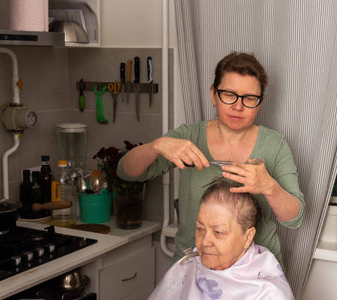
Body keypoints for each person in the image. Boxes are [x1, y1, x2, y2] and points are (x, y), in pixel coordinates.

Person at [117, 51, 305, 266]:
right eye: (229, 94)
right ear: (213, 95)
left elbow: (294, 218)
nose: (238, 106)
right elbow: (126, 172)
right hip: (194, 269)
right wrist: (156, 146)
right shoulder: (189, 136)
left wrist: (268, 186)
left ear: (260, 103)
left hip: (256, 274)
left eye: (249, 98)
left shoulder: (275, 144)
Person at [148, 178, 295, 300]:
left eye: (218, 232)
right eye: (200, 228)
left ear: (248, 237)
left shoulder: (268, 292)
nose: (205, 242)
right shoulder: (188, 266)